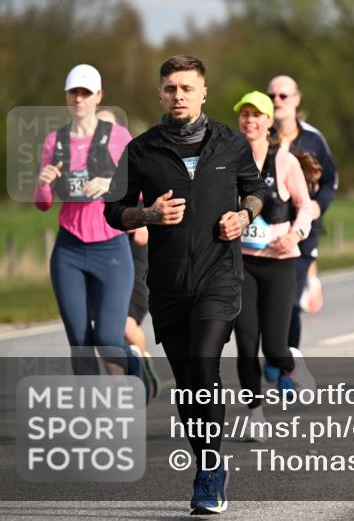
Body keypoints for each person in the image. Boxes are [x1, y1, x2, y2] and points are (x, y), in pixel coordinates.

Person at [105, 55, 267, 515]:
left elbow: (257, 190)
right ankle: (205, 463)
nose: (179, 96)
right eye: (171, 88)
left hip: (220, 276)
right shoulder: (141, 151)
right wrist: (148, 214)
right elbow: (113, 211)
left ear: (203, 93)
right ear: (160, 94)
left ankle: (210, 471)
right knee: (187, 383)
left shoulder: (230, 143)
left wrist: (244, 215)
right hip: (170, 283)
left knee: (203, 366)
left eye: (187, 88)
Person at [35, 65, 151, 386]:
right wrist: (43, 184)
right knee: (80, 342)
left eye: (86, 93)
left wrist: (111, 183)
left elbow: (140, 190)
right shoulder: (54, 141)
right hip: (69, 249)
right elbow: (42, 203)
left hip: (111, 247)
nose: (79, 99)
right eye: (74, 92)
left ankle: (135, 367)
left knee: (108, 338)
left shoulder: (118, 137)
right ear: (66, 96)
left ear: (99, 96)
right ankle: (92, 408)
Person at [232, 91, 316, 436]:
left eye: (256, 115)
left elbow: (305, 206)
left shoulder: (284, 161)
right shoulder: (228, 159)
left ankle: (292, 363)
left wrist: (295, 235)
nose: (249, 120)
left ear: (268, 121)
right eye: (244, 114)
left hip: (279, 263)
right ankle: (255, 415)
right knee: (245, 345)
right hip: (242, 264)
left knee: (274, 347)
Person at [94, 109, 163, 396]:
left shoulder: (133, 161)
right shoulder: (83, 161)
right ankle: (119, 388)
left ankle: (141, 364)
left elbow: (150, 197)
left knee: (124, 326)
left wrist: (144, 221)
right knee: (103, 331)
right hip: (98, 251)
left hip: (132, 253)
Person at [265, 75, 334, 357]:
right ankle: (274, 353)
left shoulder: (313, 139)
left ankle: (288, 360)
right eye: (272, 96)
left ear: (296, 99)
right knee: (267, 300)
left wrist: (318, 205)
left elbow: (330, 180)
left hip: (303, 231)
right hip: (268, 230)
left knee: (289, 299)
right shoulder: (260, 134)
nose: (277, 101)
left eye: (283, 95)